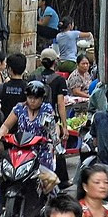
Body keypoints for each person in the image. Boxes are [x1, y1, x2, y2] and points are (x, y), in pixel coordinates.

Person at [0, 80, 57, 217]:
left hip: (41, 150)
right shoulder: (19, 109)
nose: (32, 100)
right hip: (21, 149)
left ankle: (53, 216)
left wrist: (53, 138)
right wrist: (1, 133)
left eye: (36, 98)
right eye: (30, 97)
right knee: (4, 177)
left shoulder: (47, 110)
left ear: (42, 98)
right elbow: (7, 125)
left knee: (49, 182)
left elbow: (53, 131)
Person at [35, 49, 70, 186]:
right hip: (50, 119)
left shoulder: (34, 77)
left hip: (34, 117)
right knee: (56, 146)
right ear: (55, 62)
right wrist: (64, 125)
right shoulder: (59, 80)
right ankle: (62, 180)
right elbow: (60, 104)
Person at [0, 53, 28, 123]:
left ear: (9, 69)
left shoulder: (1, 88)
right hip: (23, 127)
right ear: (24, 68)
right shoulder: (27, 88)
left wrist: (0, 109)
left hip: (4, 127)